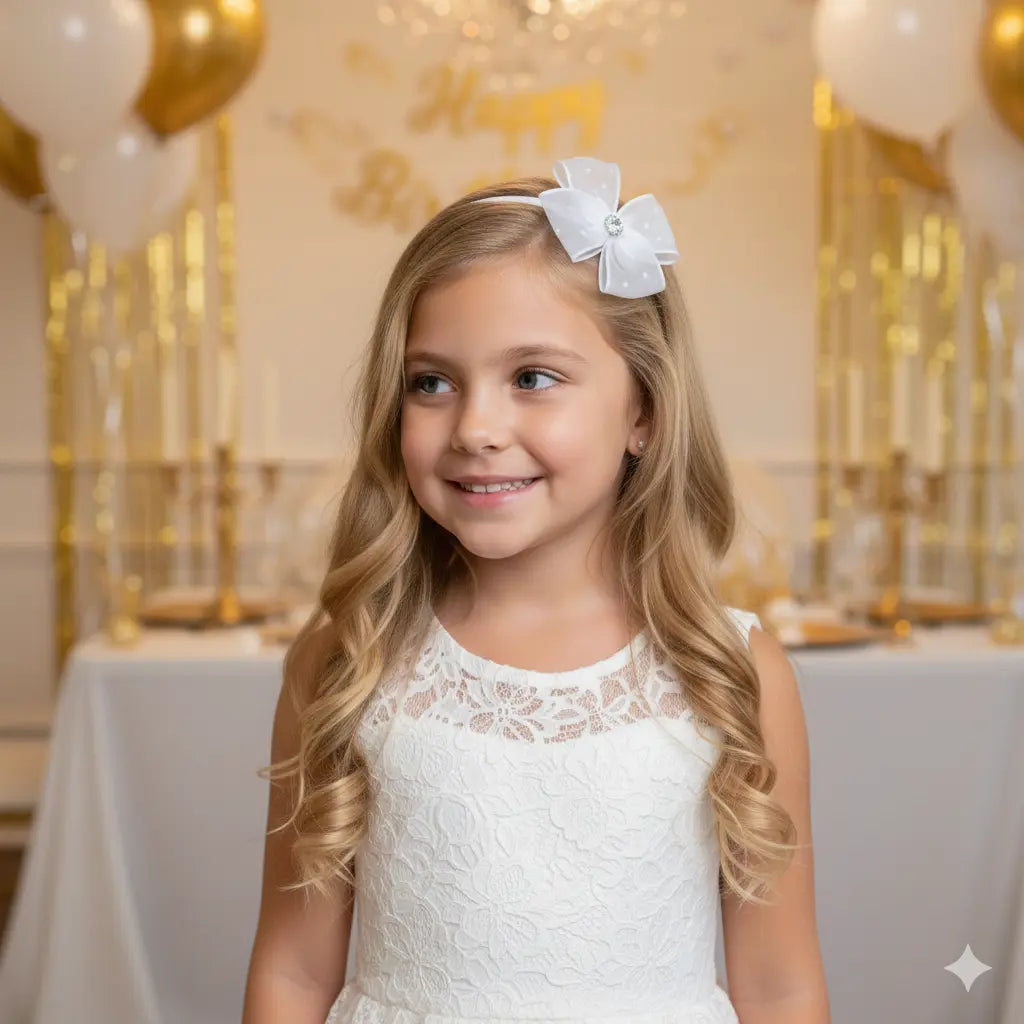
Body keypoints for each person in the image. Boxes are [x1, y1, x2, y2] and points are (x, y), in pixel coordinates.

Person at [242, 156, 830, 1024]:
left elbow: (779, 986)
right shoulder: (348, 660)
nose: (476, 429)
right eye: (431, 382)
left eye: (532, 379)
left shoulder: (731, 670)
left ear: (644, 413)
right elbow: (292, 970)